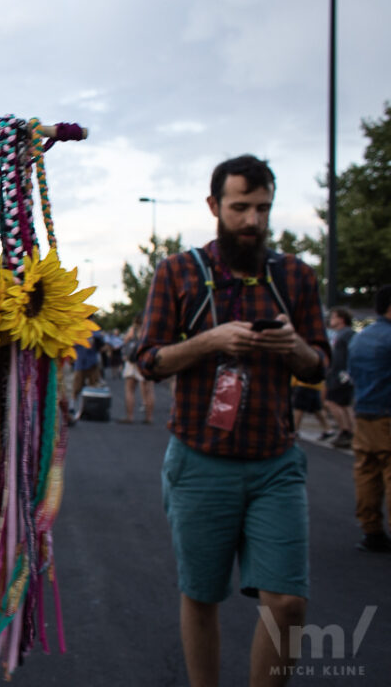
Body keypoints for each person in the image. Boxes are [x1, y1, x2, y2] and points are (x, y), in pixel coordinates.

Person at [137, 155, 328, 687]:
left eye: (262, 208)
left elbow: (320, 366)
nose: (252, 220)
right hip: (201, 461)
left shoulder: (294, 276)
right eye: (240, 207)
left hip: (276, 462)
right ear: (214, 206)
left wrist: (294, 348)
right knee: (202, 596)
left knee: (287, 601)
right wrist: (209, 342)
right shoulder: (177, 272)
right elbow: (148, 360)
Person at [347, 284, 391, 553]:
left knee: (366, 470)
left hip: (364, 411)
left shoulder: (360, 337)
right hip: (388, 412)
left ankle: (371, 529)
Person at [322, 307, 356, 449]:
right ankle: (351, 433)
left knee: (331, 402)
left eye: (334, 317)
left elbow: (351, 353)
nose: (331, 320)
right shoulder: (341, 334)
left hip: (340, 375)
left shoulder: (346, 334)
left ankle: (345, 431)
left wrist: (346, 373)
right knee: (344, 404)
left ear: (341, 319)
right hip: (339, 374)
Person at [121, 316, 154, 424]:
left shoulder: (133, 330)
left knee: (130, 390)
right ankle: (149, 417)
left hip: (132, 362)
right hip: (146, 361)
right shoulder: (150, 329)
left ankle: (130, 416)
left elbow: (125, 341)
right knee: (148, 390)